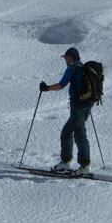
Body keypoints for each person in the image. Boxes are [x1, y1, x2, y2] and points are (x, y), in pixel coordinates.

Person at [39, 47, 92, 175]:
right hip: (87, 105)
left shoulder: (72, 68)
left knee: (79, 134)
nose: (65, 60)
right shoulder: (85, 68)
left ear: (71, 57)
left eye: (66, 57)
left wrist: (47, 88)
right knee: (67, 132)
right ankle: (65, 162)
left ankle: (84, 165)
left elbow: (61, 85)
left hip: (77, 106)